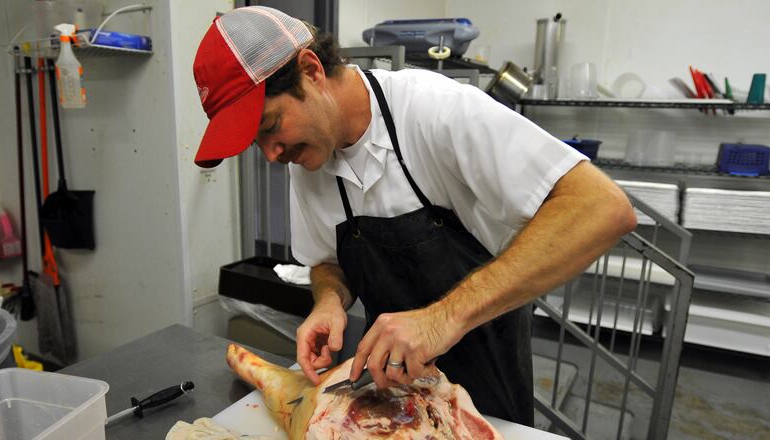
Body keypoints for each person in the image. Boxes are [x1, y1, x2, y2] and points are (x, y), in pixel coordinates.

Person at [192, 6, 636, 424]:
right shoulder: (309, 156)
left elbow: (603, 208)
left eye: (270, 127)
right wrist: (329, 301)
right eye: (257, 143)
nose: (272, 155)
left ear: (311, 71)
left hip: (486, 382)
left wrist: (441, 320)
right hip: (390, 391)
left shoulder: (435, 111)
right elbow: (326, 261)